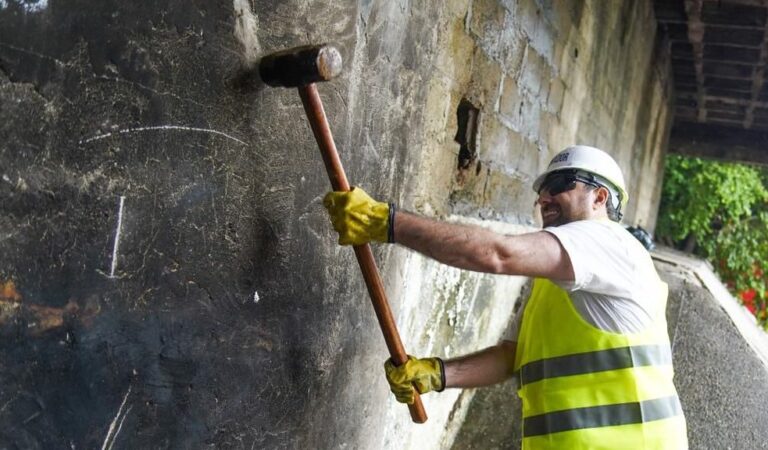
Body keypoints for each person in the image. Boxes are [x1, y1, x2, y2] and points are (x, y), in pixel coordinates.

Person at [323, 145, 688, 449]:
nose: (544, 197)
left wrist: (386, 223)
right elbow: (513, 357)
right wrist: (438, 374)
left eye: (559, 183)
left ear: (600, 197)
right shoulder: (556, 280)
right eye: (541, 190)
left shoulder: (606, 241)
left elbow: (499, 253)